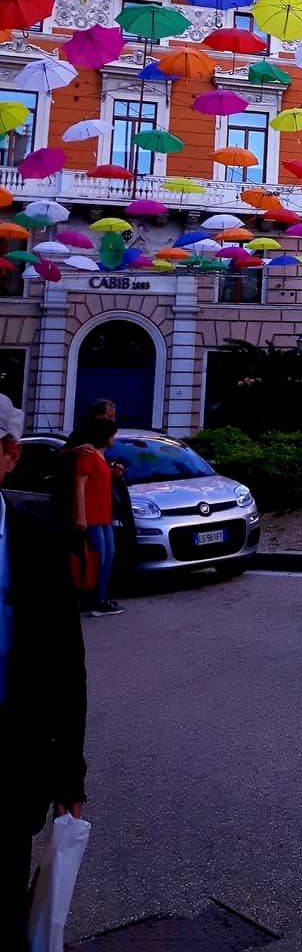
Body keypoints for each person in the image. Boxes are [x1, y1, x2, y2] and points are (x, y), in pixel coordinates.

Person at [0, 393, 88, 945]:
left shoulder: (37, 541)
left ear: (9, 455)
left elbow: (66, 665)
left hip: (11, 762)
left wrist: (69, 771)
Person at [64, 407, 123, 616]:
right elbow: (79, 483)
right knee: (98, 556)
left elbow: (99, 482)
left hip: (104, 515)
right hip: (92, 515)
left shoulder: (101, 457)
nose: (115, 438)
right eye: (113, 434)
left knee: (108, 555)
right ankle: (95, 600)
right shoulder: (88, 455)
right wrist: (80, 514)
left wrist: (114, 474)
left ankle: (101, 597)